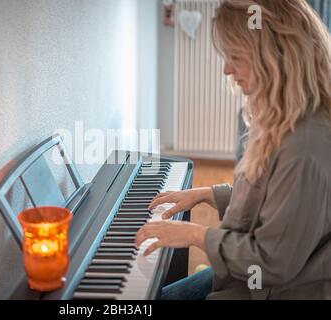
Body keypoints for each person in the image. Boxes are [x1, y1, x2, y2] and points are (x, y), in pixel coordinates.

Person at [136, 0, 331, 299]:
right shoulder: (283, 117)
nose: (227, 69)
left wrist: (193, 235)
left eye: (235, 56)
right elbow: (271, 201)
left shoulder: (305, 145)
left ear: (276, 57)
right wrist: (205, 194)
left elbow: (272, 262)